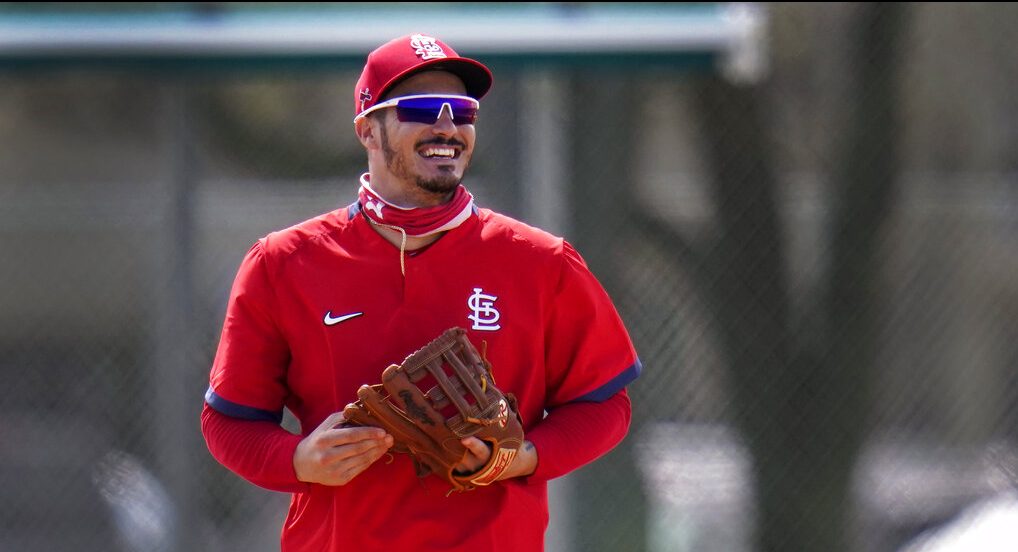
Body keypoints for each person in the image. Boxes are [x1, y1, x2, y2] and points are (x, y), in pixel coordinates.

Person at [201, 33, 641, 551]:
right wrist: (297, 461)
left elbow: (605, 406)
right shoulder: (282, 263)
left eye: (463, 111)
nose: (448, 126)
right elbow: (229, 422)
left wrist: (521, 456)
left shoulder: (542, 262)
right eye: (422, 109)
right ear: (368, 129)